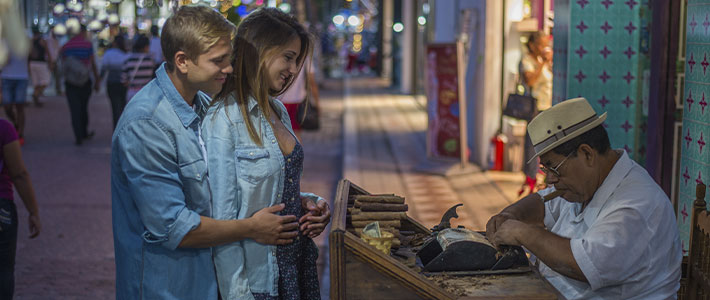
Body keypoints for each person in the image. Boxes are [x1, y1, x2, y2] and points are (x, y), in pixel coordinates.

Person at [111, 6, 311, 299]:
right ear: (183, 61)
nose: (230, 68)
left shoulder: (202, 104)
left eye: (228, 58)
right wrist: (251, 228)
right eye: (218, 61)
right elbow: (173, 228)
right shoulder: (147, 124)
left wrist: (297, 200)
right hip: (166, 288)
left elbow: (233, 189)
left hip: (203, 283)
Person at [485, 97, 681, 299]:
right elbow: (543, 203)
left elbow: (586, 264)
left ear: (587, 154)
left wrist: (524, 233)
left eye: (554, 168)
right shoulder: (582, 184)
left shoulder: (637, 205)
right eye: (546, 169)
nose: (550, 179)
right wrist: (511, 214)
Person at [203, 8, 331, 300]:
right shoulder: (224, 118)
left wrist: (309, 203)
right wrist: (238, 295)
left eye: (297, 60)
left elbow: (272, 187)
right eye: (288, 57)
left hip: (295, 266)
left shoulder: (277, 110)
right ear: (259, 50)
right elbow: (221, 221)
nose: (293, 69)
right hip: (257, 280)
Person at [0, 117, 41, 299]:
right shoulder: (4, 129)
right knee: (3, 270)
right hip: (2, 208)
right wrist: (33, 211)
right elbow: (19, 174)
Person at [519, 32, 553, 196]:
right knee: (532, 144)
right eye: (540, 44)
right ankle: (531, 177)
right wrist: (542, 65)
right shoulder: (527, 61)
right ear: (532, 44)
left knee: (546, 143)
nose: (543, 48)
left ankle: (542, 176)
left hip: (547, 106)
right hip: (535, 107)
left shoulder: (543, 60)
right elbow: (530, 82)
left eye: (545, 44)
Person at [60, 24, 100, 145]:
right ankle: (83, 132)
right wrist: (97, 80)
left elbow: (63, 66)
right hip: (85, 82)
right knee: (83, 107)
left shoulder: (66, 46)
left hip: (70, 83)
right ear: (82, 32)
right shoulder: (87, 45)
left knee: (74, 109)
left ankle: (78, 136)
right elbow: (92, 63)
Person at [278, 58, 318, 140]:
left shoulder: (279, 52)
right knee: (296, 134)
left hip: (280, 99)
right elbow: (312, 81)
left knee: (280, 134)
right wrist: (317, 102)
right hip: (297, 100)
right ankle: (297, 152)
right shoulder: (306, 57)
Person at [99, 35, 128, 129]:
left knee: (115, 108)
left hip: (111, 84)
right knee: (124, 107)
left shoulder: (109, 53)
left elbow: (103, 70)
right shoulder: (126, 54)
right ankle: (124, 129)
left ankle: (116, 130)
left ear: (114, 43)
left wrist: (98, 81)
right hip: (123, 84)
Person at [1, 52, 30, 146]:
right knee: (7, 106)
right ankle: (15, 122)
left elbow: (34, 55)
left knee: (20, 106)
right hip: (6, 77)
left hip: (22, 77)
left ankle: (20, 134)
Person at [121, 34, 154, 102]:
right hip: (146, 93)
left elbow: (123, 81)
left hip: (132, 94)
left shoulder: (128, 60)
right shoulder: (150, 61)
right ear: (146, 47)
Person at [28, 26, 52, 107]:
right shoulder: (42, 40)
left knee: (36, 82)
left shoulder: (30, 41)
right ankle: (35, 95)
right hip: (41, 63)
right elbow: (48, 52)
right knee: (46, 81)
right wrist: (50, 61)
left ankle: (36, 98)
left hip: (32, 63)